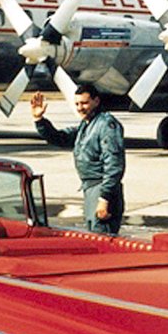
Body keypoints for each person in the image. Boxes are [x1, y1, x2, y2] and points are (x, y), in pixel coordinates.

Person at [32, 84, 125, 235]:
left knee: (102, 236)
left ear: (96, 101)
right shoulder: (86, 125)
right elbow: (61, 138)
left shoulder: (106, 125)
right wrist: (40, 120)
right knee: (93, 235)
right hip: (90, 189)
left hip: (101, 188)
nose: (80, 108)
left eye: (84, 103)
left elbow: (114, 164)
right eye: (77, 104)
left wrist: (104, 198)